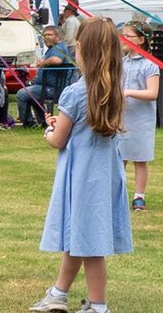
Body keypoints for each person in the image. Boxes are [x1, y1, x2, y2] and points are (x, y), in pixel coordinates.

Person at [30, 19, 132, 313]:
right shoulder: (114, 89)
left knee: (90, 242)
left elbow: (59, 140)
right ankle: (58, 293)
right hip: (104, 174)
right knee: (80, 234)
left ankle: (97, 306)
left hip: (82, 175)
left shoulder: (75, 92)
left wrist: (49, 131)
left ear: (82, 51)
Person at [118, 21, 159, 211]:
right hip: (122, 118)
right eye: (122, 35)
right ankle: (116, 194)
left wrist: (127, 92)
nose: (123, 40)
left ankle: (139, 196)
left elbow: (153, 93)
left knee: (140, 159)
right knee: (120, 157)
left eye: (129, 36)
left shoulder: (150, 65)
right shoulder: (122, 62)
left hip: (141, 120)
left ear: (141, 40)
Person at [17, 26, 70, 129]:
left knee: (22, 94)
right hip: (44, 87)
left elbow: (57, 60)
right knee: (31, 95)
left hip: (52, 89)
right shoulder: (52, 49)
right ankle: (43, 122)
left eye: (49, 35)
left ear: (58, 36)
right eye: (44, 35)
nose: (46, 37)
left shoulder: (58, 47)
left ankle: (28, 124)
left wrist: (43, 62)